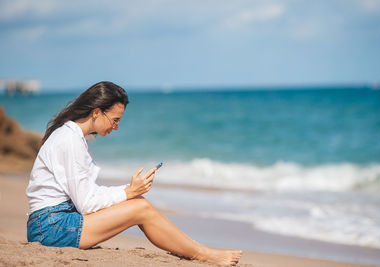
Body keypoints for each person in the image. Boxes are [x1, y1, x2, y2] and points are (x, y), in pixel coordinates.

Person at [26, 81, 242, 266]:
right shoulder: (70, 140)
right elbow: (86, 202)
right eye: (115, 120)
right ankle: (203, 254)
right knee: (141, 208)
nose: (116, 127)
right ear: (96, 113)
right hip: (51, 227)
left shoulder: (73, 137)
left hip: (55, 221)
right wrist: (128, 192)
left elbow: (86, 196)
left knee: (138, 203)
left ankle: (194, 250)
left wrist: (128, 191)